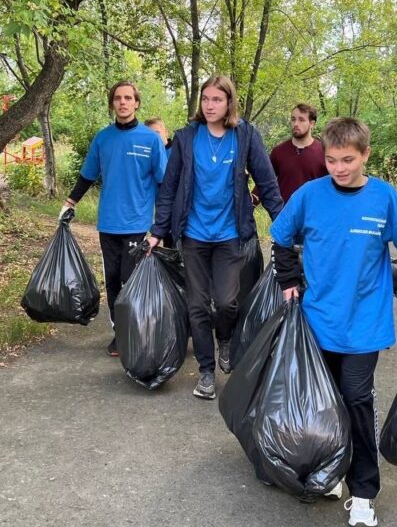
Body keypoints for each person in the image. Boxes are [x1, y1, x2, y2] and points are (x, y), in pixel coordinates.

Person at [269, 117, 397, 527]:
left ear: (366, 155)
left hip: (364, 323)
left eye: (348, 160)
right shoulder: (309, 196)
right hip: (317, 319)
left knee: (356, 400)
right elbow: (281, 237)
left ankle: (364, 493)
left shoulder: (384, 199)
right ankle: (331, 469)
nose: (339, 168)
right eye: (333, 160)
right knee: (322, 401)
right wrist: (288, 280)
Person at [147, 75, 283, 399]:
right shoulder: (186, 138)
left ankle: (225, 337)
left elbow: (266, 182)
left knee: (225, 301)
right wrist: (157, 231)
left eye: (217, 100)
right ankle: (206, 371)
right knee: (196, 303)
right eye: (206, 99)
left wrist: (285, 224)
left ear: (229, 103)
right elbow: (169, 188)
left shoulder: (245, 136)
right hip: (193, 234)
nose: (209, 105)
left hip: (230, 235)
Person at [61, 81, 167, 357]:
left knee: (129, 278)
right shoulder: (103, 139)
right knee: (112, 280)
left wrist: (164, 223)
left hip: (137, 223)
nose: (123, 102)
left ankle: (134, 331)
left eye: (128, 98)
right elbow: (87, 175)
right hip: (108, 222)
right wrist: (70, 202)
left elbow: (164, 183)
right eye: (118, 98)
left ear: (137, 103)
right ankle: (119, 332)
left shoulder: (150, 139)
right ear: (113, 104)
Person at [266, 103, 328, 203]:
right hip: (284, 214)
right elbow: (265, 180)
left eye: (301, 120)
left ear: (312, 124)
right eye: (293, 119)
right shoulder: (278, 152)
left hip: (314, 214)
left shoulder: (324, 152)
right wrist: (251, 201)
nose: (296, 124)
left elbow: (333, 186)